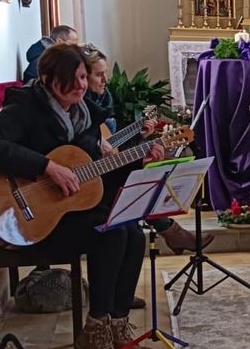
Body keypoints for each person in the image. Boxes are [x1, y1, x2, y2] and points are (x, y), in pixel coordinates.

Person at [0, 44, 164, 349]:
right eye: (70, 79)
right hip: (24, 220)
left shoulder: (84, 117)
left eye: (83, 76)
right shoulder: (26, 108)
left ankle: (116, 325)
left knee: (132, 232)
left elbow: (95, 178)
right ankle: (94, 331)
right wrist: (45, 166)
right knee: (109, 236)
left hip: (63, 214)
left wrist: (138, 159)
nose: (80, 85)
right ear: (46, 79)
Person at [82, 45, 211, 257]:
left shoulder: (101, 102)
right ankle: (173, 232)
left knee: (138, 196)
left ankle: (173, 232)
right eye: (98, 74)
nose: (105, 79)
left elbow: (112, 148)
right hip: (89, 188)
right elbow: (96, 155)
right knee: (134, 190)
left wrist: (140, 137)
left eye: (105, 72)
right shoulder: (83, 110)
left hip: (103, 175)